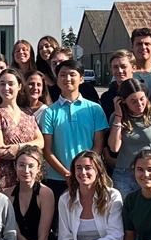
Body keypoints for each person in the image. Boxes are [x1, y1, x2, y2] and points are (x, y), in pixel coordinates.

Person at [39, 60, 108, 198]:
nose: (67, 79)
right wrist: (68, 175)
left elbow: (98, 146)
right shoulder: (49, 112)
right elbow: (47, 150)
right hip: (58, 179)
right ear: (57, 79)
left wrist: (83, 171)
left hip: (89, 177)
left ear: (81, 79)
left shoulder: (94, 109)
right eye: (63, 75)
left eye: (72, 74)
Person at [106, 79, 151, 199]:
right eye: (133, 101)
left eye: (142, 99)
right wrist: (119, 118)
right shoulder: (116, 117)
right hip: (123, 173)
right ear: (123, 101)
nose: (139, 105)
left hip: (149, 173)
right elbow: (114, 147)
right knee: (124, 213)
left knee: (148, 211)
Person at [0, 69, 43, 192]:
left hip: (29, 175)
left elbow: (40, 142)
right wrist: (29, 148)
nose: (6, 87)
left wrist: (17, 147)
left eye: (11, 83)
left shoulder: (27, 112)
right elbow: (0, 150)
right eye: (2, 83)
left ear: (19, 86)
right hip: (6, 177)